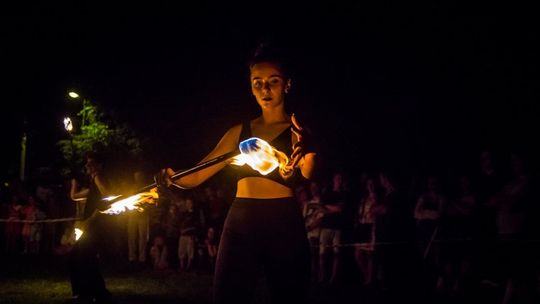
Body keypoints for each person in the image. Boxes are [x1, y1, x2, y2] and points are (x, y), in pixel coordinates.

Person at [155, 42, 318, 304]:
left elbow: (308, 173)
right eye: (258, 82)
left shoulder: (298, 130)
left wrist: (309, 150)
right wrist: (170, 178)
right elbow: (197, 175)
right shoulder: (238, 132)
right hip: (241, 222)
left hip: (283, 221)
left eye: (273, 81)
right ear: (251, 86)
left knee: (290, 295)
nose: (265, 89)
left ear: (287, 84)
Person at [68, 151, 113, 303]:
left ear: (99, 165)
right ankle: (89, 292)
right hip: (89, 226)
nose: (87, 165)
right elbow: (74, 197)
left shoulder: (100, 179)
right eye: (87, 163)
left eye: (91, 163)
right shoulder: (94, 182)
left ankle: (93, 293)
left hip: (96, 226)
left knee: (83, 257)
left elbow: (108, 196)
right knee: (81, 256)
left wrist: (96, 177)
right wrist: (74, 184)